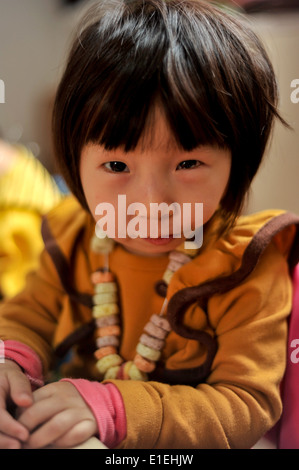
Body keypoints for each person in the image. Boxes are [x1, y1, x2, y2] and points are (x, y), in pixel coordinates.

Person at [0, 0, 298, 450]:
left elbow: (245, 407)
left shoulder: (246, 265)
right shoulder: (76, 237)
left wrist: (114, 407)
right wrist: (9, 365)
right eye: (117, 164)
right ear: (74, 160)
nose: (152, 202)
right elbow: (27, 315)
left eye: (188, 163)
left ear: (237, 164)